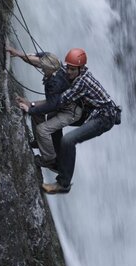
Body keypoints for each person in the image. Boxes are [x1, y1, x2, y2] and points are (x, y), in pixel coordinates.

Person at [39, 48, 121, 194]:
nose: (69, 72)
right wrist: (20, 55)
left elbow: (59, 101)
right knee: (52, 117)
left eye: (72, 69)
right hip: (89, 111)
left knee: (68, 140)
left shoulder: (82, 82)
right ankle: (58, 162)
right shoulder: (70, 70)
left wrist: (31, 105)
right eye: (68, 67)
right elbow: (47, 64)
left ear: (81, 68)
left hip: (104, 117)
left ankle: (63, 184)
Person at [6, 45, 83, 170]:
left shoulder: (55, 83)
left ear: (49, 70)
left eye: (43, 68)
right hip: (60, 102)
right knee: (35, 111)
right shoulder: (54, 61)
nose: (41, 69)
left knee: (43, 129)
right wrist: (19, 54)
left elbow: (51, 105)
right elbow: (37, 59)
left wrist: (30, 108)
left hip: (70, 111)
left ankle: (50, 159)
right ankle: (39, 142)